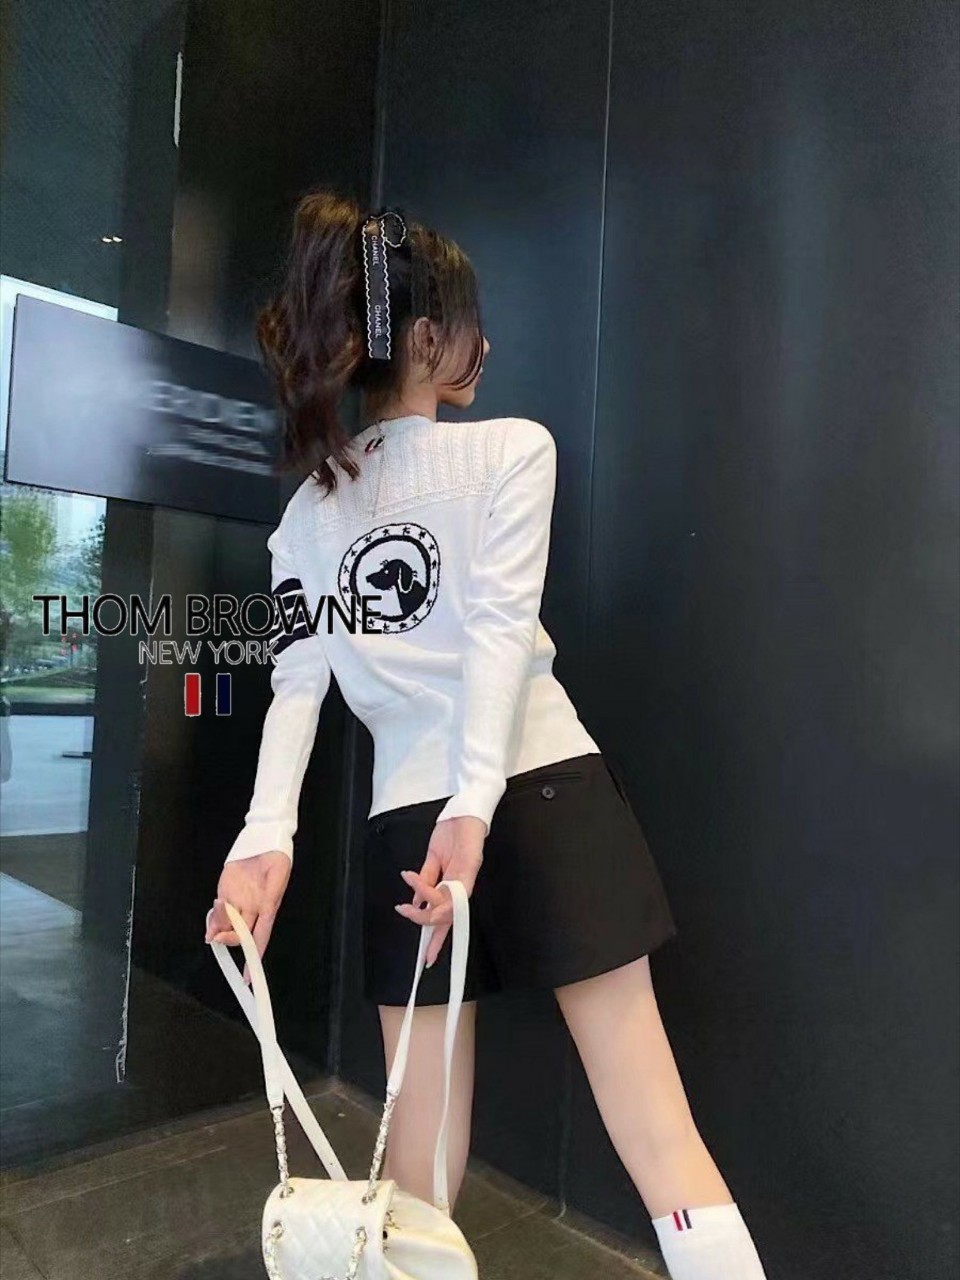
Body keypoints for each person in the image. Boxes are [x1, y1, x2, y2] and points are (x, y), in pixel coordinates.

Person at [204, 190, 768, 1280]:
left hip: (410, 824)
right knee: (660, 1136)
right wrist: (476, 807)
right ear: (425, 337)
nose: (486, 345)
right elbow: (498, 639)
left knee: (415, 1178)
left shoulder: (306, 519)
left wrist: (264, 840)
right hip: (544, 790)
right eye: (468, 323)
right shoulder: (512, 450)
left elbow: (295, 692)